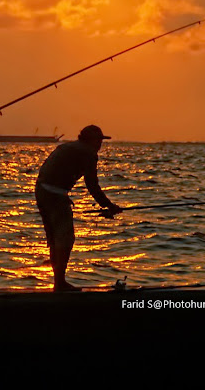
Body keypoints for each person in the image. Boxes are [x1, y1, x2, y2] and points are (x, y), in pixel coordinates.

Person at [35, 124, 122, 292]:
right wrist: (109, 205)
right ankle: (59, 284)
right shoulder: (88, 153)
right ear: (91, 140)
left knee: (55, 239)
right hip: (54, 195)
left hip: (41, 190)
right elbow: (92, 184)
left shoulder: (68, 146)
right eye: (99, 140)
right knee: (66, 239)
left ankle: (58, 282)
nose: (100, 144)